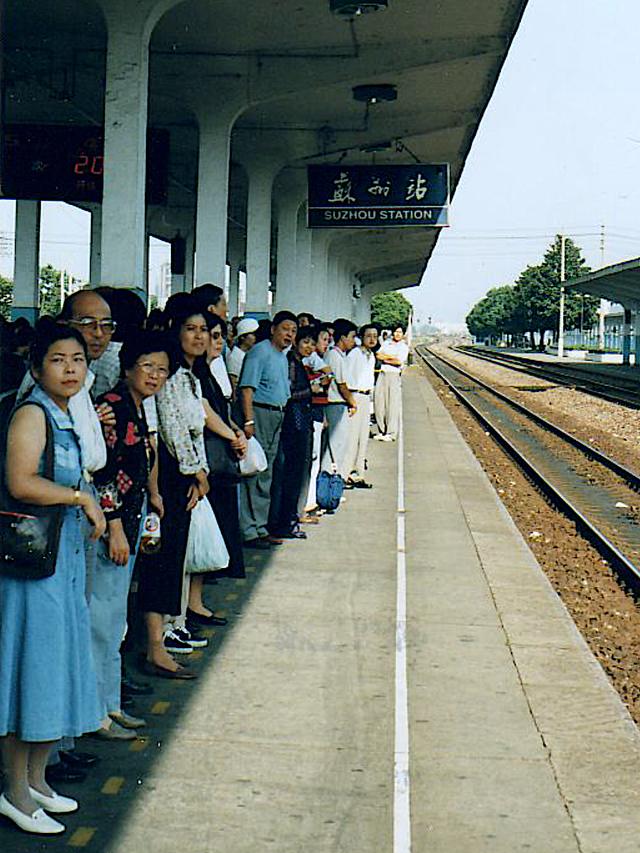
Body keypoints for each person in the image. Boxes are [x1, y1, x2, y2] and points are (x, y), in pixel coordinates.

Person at [0, 323, 106, 835]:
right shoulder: (32, 414)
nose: (71, 369)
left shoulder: (66, 415)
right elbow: (21, 482)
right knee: (31, 671)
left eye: (79, 360)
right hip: (31, 568)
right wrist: (80, 498)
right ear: (37, 367)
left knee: (55, 664)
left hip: (60, 562)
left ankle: (37, 780)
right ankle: (14, 791)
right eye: (59, 359)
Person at [90, 332, 172, 739]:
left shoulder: (139, 406)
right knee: (103, 620)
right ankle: (97, 713)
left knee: (115, 618)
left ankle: (109, 705)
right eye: (147, 367)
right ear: (127, 369)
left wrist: (152, 496)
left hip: (131, 516)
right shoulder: (113, 406)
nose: (155, 375)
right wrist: (117, 527)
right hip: (111, 527)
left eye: (162, 369)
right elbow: (103, 472)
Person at [137, 302, 210, 677]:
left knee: (175, 558)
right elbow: (173, 429)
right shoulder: (171, 376)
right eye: (191, 328)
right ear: (175, 331)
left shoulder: (189, 377)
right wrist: (197, 473)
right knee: (163, 560)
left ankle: (167, 632)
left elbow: (194, 429)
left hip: (185, 475)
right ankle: (157, 642)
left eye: (204, 330)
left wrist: (200, 472)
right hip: (170, 476)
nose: (199, 337)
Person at [194, 314, 248, 579]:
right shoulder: (196, 373)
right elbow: (206, 412)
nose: (217, 342)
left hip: (221, 449)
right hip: (210, 453)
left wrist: (235, 431)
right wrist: (232, 436)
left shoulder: (210, 370)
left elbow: (220, 409)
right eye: (212, 335)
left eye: (218, 336)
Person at [238, 310, 297, 548]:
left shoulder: (282, 356)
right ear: (273, 329)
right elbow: (246, 389)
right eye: (285, 329)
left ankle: (260, 527)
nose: (289, 335)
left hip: (277, 415)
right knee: (255, 471)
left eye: (293, 331)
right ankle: (249, 530)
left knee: (267, 473)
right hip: (260, 414)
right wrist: (249, 421)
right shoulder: (259, 352)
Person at [268, 326, 315, 539]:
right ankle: (285, 522)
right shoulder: (290, 363)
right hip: (294, 424)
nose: (309, 347)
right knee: (290, 473)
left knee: (293, 473)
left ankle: (288, 520)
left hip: (299, 422)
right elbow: (290, 392)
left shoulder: (296, 363)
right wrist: (311, 390)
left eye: (312, 343)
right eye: (305, 342)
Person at [320, 318, 358, 480]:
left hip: (337, 405)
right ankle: (327, 486)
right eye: (351, 336)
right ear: (342, 338)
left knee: (337, 446)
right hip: (335, 405)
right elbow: (342, 386)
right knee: (335, 446)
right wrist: (353, 402)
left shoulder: (337, 355)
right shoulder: (334, 356)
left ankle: (330, 485)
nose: (353, 341)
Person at [343, 323, 378, 488]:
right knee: (353, 437)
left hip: (366, 397)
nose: (372, 339)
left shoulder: (371, 355)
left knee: (363, 437)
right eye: (369, 336)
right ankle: (347, 473)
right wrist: (351, 401)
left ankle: (359, 474)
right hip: (355, 396)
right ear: (361, 337)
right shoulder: (355, 354)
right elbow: (347, 379)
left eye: (375, 336)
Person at [374, 324, 409, 442]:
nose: (398, 334)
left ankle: (391, 432)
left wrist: (386, 358)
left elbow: (398, 361)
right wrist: (390, 358)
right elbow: (378, 354)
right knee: (379, 403)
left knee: (392, 404)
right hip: (382, 373)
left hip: (394, 375)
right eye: (396, 332)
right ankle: (381, 430)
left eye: (400, 332)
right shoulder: (386, 343)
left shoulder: (404, 347)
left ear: (403, 334)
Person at [226, 317, 258, 394]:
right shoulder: (235, 357)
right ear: (243, 337)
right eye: (253, 334)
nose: (255, 338)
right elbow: (233, 384)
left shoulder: (249, 353)